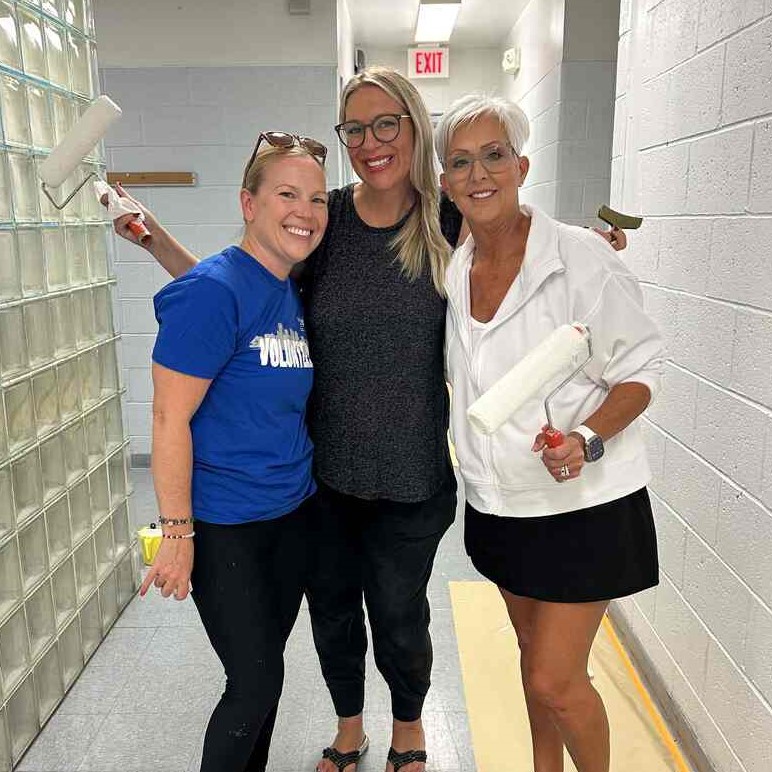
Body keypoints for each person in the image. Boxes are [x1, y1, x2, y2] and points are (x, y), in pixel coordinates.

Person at [114, 66, 628, 772]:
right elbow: (237, 286)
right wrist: (157, 244)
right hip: (325, 479)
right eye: (355, 128)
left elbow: (522, 236)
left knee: (398, 617)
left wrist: (590, 247)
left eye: (388, 123)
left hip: (415, 477)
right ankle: (348, 728)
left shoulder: (446, 220)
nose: (372, 140)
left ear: (414, 129)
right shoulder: (325, 220)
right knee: (332, 616)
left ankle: (410, 727)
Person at [437, 93, 663, 772]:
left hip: (582, 507)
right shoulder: (457, 265)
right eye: (461, 163)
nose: (479, 175)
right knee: (531, 657)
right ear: (446, 182)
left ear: (522, 164)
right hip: (499, 505)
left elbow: (642, 371)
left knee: (554, 681)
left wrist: (587, 437)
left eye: (494, 156)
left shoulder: (581, 259)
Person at [140, 132, 329, 772]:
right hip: (226, 526)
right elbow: (169, 417)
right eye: (286, 194)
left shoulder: (283, 286)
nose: (304, 210)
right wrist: (177, 531)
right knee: (252, 683)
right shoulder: (213, 290)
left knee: (266, 676)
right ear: (248, 203)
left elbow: (233, 313)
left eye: (315, 198)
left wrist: (158, 242)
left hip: (291, 515)